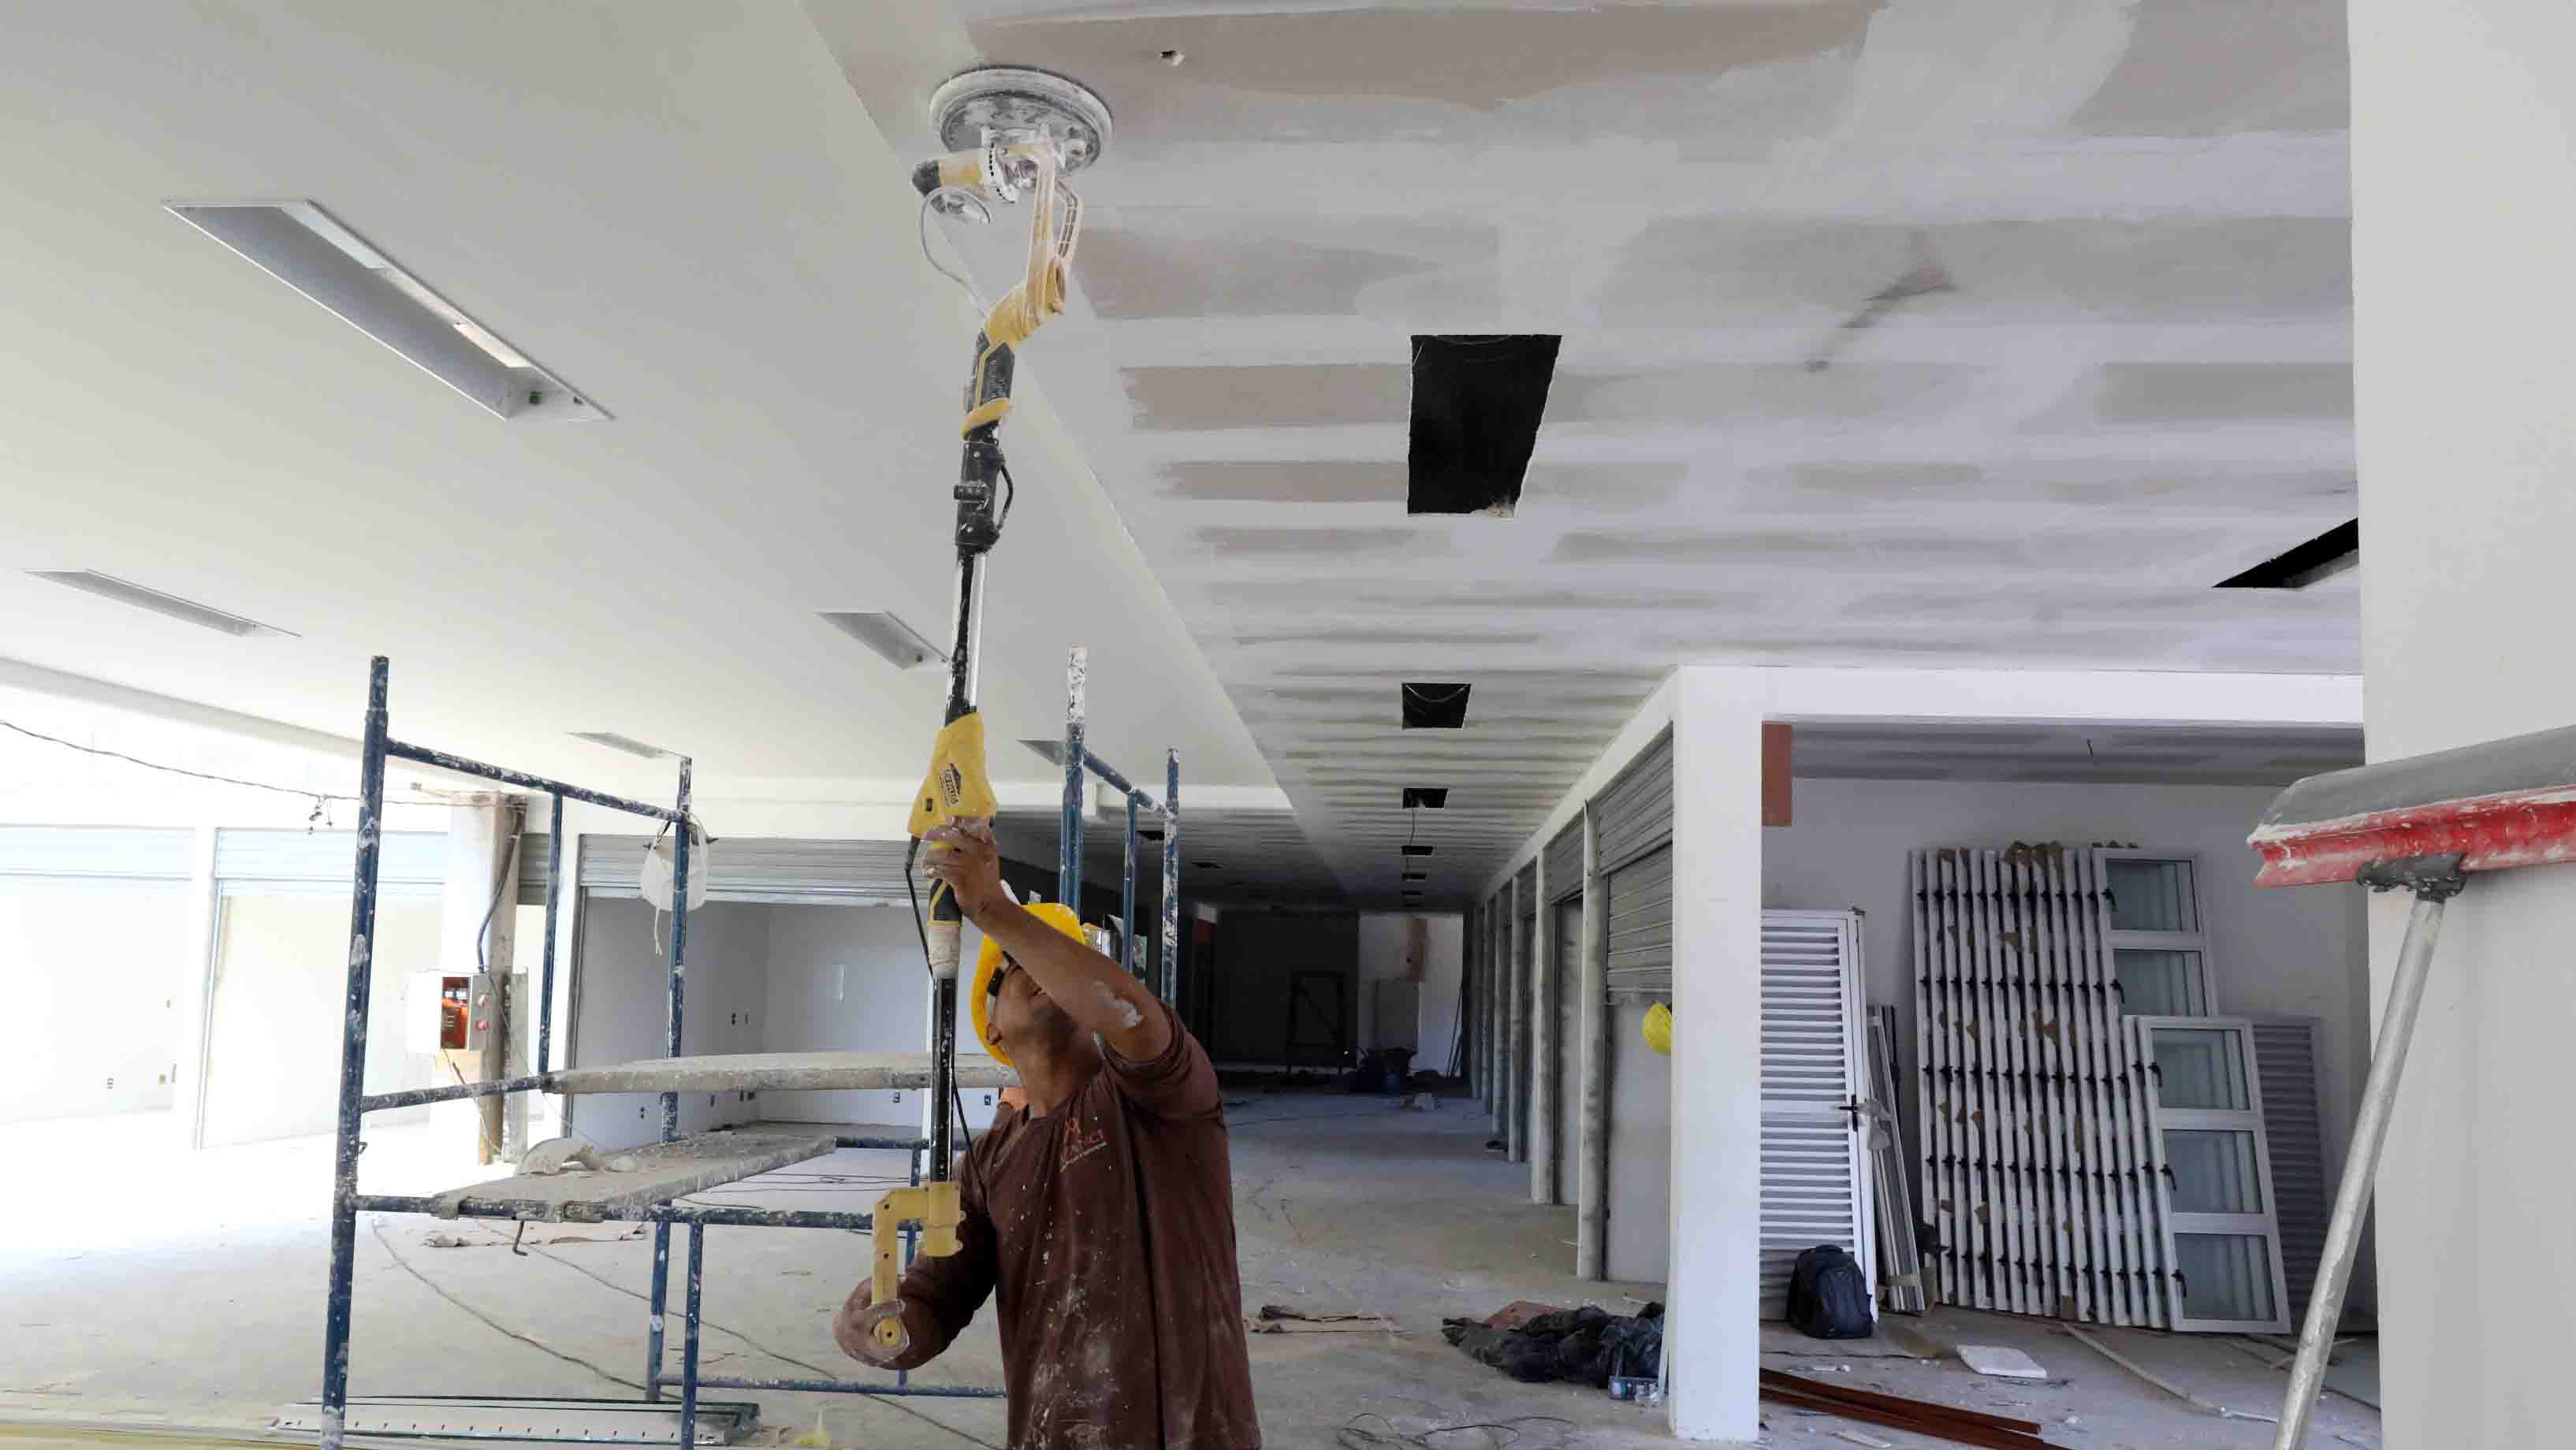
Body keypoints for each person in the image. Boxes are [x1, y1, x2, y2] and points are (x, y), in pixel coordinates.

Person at [835, 820, 1260, 1450]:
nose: (1035, 967)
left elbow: (1132, 1017)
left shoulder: (1158, 1096)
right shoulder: (990, 1162)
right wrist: (883, 1329)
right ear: (993, 1030)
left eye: (1053, 957)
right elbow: (937, 1294)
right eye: (1012, 966)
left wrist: (991, 908)